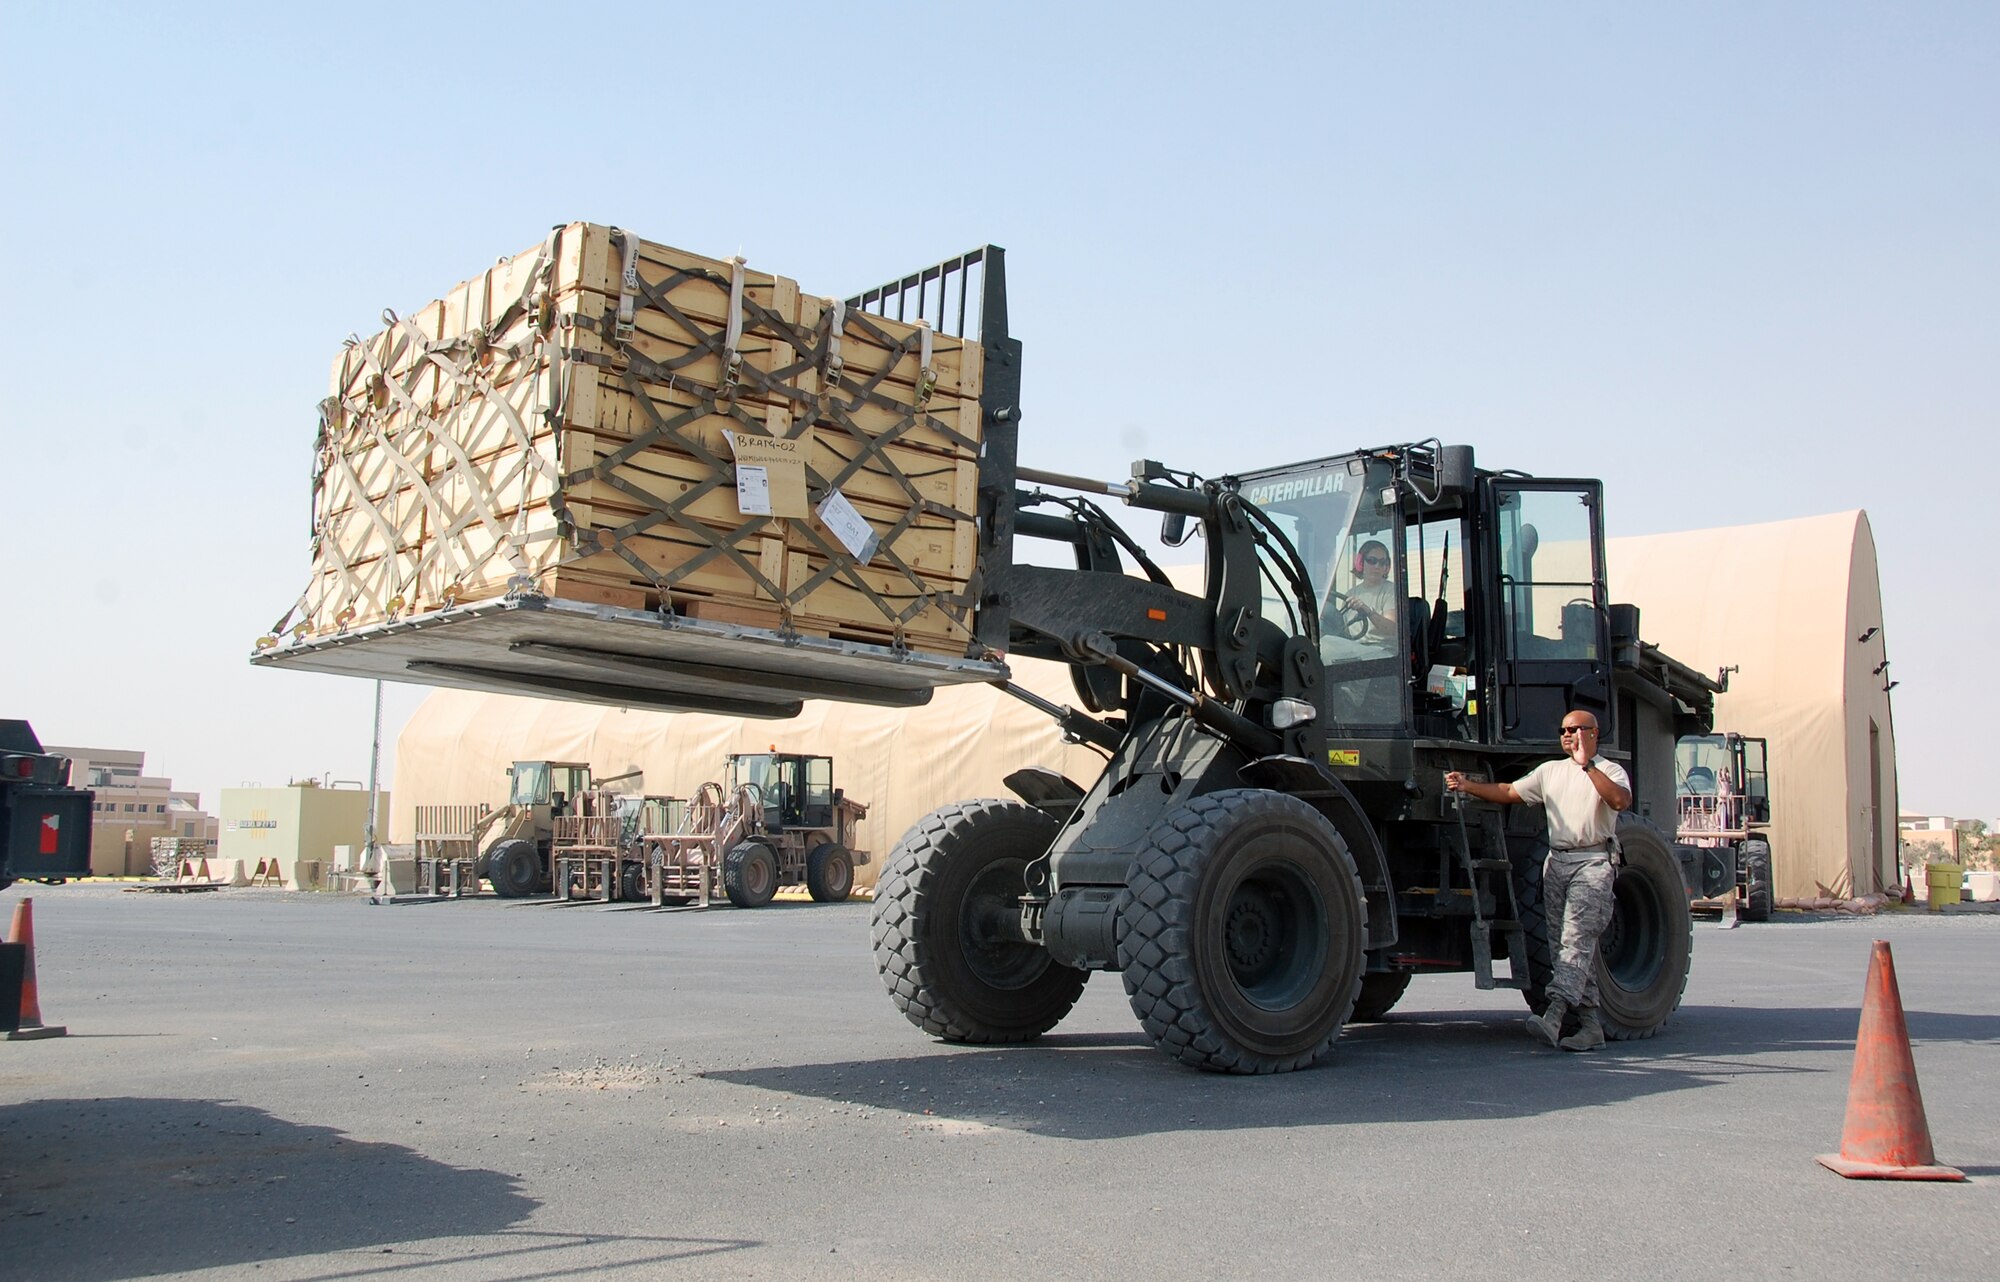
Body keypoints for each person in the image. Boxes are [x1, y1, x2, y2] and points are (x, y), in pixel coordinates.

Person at [1443, 710, 1632, 1051]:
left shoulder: (1609, 770)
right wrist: (1468, 786)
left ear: (1593, 733)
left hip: (1592, 863)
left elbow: (1619, 800)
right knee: (1566, 945)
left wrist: (1587, 766)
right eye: (1563, 729)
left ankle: (1555, 1015)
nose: (1567, 735)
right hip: (1557, 862)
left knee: (1576, 941)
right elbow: (1510, 791)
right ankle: (1590, 1025)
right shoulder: (1550, 772)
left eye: (1575, 729)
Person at [1341, 539, 1399, 644]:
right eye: (1372, 561)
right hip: (1352, 648)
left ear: (1387, 567)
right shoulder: (1350, 593)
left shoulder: (1391, 591)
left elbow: (1391, 628)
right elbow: (1341, 627)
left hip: (1382, 651)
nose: (1377, 566)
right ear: (1360, 563)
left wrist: (1368, 612)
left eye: (1382, 562)